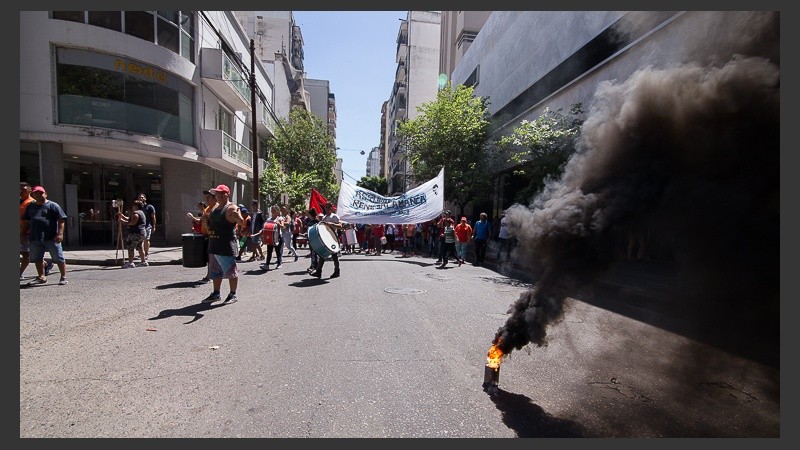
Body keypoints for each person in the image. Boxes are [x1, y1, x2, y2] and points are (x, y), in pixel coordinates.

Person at [202, 184, 244, 304]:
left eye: (222, 193)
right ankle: (216, 293)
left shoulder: (231, 208)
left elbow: (241, 221)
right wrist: (205, 221)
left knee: (231, 272)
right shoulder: (215, 208)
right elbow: (210, 225)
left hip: (225, 246)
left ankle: (233, 294)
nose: (219, 195)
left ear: (227, 194)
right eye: (217, 193)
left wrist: (238, 217)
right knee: (215, 272)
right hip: (214, 245)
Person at [21, 185, 68, 285]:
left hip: (51, 237)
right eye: (36, 193)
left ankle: (63, 277)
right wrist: (22, 234)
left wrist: (60, 234)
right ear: (33, 195)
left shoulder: (53, 205)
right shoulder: (31, 206)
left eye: (40, 193)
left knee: (58, 258)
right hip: (35, 237)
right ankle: (41, 277)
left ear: (45, 194)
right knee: (37, 258)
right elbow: (26, 222)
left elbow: (61, 220)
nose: (38, 195)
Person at [311, 202, 342, 279]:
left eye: (329, 207)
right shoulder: (324, 217)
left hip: (333, 238)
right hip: (326, 238)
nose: (327, 208)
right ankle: (318, 272)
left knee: (334, 256)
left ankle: (337, 271)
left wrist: (331, 224)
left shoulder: (334, 216)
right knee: (322, 254)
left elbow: (340, 226)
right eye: (326, 207)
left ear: (332, 208)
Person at [117, 200, 148, 268]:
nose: (132, 207)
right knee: (140, 247)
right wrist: (122, 216)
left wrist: (123, 222)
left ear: (136, 206)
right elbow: (129, 219)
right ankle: (143, 261)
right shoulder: (141, 212)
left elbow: (133, 222)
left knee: (130, 247)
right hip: (142, 233)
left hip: (135, 233)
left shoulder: (136, 213)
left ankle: (130, 262)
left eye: (133, 205)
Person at [260, 205, 286, 271]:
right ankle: (267, 265)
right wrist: (262, 232)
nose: (273, 212)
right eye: (272, 210)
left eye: (274, 210)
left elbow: (283, 227)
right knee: (269, 251)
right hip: (270, 237)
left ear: (277, 211)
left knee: (278, 251)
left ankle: (279, 263)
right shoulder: (269, 219)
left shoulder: (280, 218)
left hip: (278, 237)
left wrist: (279, 224)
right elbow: (265, 227)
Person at [138, 193, 156, 259]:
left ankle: (146, 253)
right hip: (139, 226)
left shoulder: (149, 207)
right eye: (139, 197)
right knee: (140, 241)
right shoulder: (137, 207)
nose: (141, 198)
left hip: (147, 226)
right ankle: (141, 253)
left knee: (146, 239)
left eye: (142, 197)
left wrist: (154, 226)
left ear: (145, 198)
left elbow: (153, 217)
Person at [305, 207, 320, 273]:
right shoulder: (317, 221)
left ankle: (314, 266)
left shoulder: (315, 222)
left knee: (314, 253)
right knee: (313, 253)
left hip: (314, 239)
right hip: (313, 239)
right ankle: (313, 265)